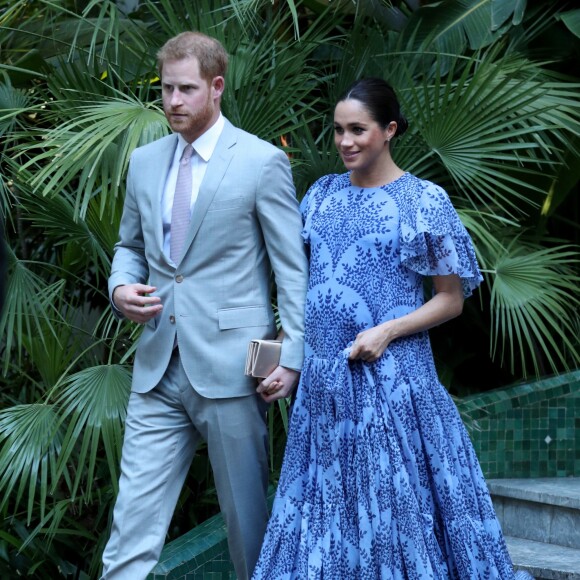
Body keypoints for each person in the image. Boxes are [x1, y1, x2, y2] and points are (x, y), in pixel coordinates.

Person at [252, 78, 516, 579]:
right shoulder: (320, 197)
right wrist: (283, 358)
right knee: (322, 515)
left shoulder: (424, 201)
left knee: (392, 518)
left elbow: (451, 299)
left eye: (359, 130)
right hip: (324, 391)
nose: (345, 142)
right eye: (338, 131)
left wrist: (387, 332)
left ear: (390, 130)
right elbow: (303, 294)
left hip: (390, 384)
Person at [102, 31, 308, 580]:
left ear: (216, 87)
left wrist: (291, 357)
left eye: (186, 89)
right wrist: (121, 287)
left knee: (247, 528)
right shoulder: (145, 163)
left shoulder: (262, 162)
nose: (172, 100)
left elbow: (291, 272)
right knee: (130, 528)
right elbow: (127, 247)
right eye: (166, 88)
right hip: (156, 369)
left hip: (238, 370)